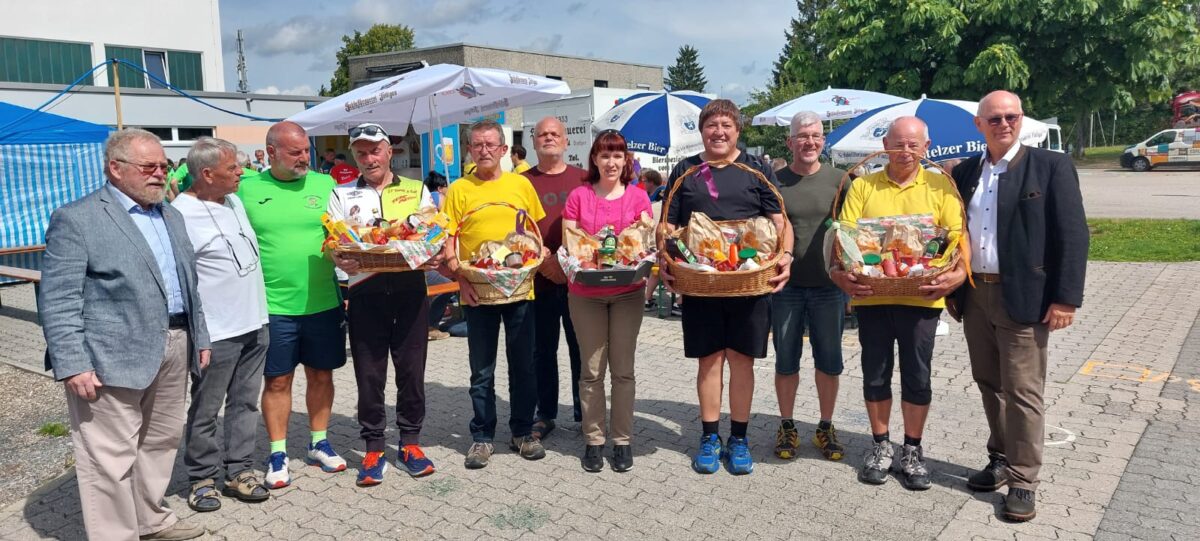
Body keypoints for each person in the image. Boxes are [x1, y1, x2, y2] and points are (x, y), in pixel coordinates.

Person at [40, 128, 211, 541]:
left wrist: (200, 337)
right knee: (109, 459)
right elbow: (58, 297)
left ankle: (150, 521)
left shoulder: (170, 214)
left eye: (164, 166)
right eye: (148, 167)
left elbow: (189, 283)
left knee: (158, 444)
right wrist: (73, 363)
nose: (159, 174)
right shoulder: (78, 218)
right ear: (115, 169)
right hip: (108, 357)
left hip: (174, 344)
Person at [949, 90, 1089, 522]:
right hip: (975, 295)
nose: (1003, 124)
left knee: (1024, 391)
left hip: (1024, 297)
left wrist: (1066, 298)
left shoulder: (1050, 166)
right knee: (988, 382)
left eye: (1010, 116)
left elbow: (1073, 234)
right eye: (994, 118)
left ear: (1021, 119)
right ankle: (1000, 458)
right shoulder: (968, 170)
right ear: (979, 124)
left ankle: (1024, 479)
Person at [830, 116, 967, 491]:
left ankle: (912, 449)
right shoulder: (864, 185)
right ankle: (879, 446)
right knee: (875, 373)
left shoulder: (941, 185)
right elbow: (846, 233)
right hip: (873, 297)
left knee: (917, 376)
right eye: (897, 143)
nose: (904, 151)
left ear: (927, 147)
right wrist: (845, 270)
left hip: (923, 297)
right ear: (884, 143)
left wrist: (952, 274)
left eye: (913, 144)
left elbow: (955, 236)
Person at [658, 99, 794, 475]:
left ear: (737, 131)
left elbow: (780, 223)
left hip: (748, 284)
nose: (718, 131)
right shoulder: (687, 170)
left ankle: (739, 438)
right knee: (709, 360)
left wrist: (785, 258)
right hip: (701, 283)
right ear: (701, 131)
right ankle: (709, 436)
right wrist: (665, 261)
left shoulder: (757, 168)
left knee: (742, 361)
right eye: (711, 125)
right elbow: (668, 226)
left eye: (726, 125)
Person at [327, 123, 439, 486]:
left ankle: (410, 442)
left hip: (409, 289)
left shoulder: (415, 188)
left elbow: (430, 232)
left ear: (389, 151)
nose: (368, 158)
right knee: (369, 374)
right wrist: (336, 256)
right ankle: (374, 446)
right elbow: (331, 242)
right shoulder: (341, 194)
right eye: (361, 152)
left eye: (374, 150)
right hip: (365, 290)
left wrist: (434, 251)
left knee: (411, 371)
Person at [238, 121, 348, 489]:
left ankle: (319, 442)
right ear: (271, 153)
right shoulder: (246, 189)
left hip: (322, 302)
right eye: (296, 152)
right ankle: (278, 452)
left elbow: (345, 233)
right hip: (273, 306)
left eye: (306, 151)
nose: (305, 158)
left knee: (321, 374)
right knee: (278, 380)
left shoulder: (325, 184)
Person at [440, 119, 548, 468]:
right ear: (469, 150)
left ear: (504, 149)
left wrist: (538, 256)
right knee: (481, 370)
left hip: (520, 289)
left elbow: (534, 233)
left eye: (490, 144)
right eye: (477, 144)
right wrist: (461, 278)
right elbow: (449, 243)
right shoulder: (458, 190)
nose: (484, 150)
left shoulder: (521, 185)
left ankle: (522, 432)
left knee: (523, 366)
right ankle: (482, 437)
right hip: (478, 290)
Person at [174, 137, 271, 512]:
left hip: (254, 322)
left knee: (246, 403)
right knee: (205, 409)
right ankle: (201, 478)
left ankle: (239, 471)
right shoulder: (180, 213)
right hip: (216, 332)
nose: (241, 173)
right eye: (233, 168)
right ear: (207, 173)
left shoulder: (233, 200)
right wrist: (198, 333)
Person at [562, 130, 652, 473]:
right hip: (587, 294)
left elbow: (645, 245)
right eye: (605, 155)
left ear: (626, 160)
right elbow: (570, 244)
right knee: (592, 370)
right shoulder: (579, 196)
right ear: (594, 160)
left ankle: (623, 440)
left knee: (623, 370)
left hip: (627, 293)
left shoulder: (639, 198)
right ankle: (594, 440)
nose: (611, 162)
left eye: (617, 155)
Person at [771, 111, 849, 461]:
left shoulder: (840, 180)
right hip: (785, 287)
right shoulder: (774, 181)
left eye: (816, 136)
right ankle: (787, 424)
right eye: (803, 136)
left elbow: (853, 232)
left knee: (829, 362)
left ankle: (825, 425)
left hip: (829, 287)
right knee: (786, 361)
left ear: (823, 140)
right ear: (790, 142)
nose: (810, 142)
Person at [523, 116, 586, 438]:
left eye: (554, 134)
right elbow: (516, 229)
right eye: (541, 134)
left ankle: (584, 412)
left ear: (566, 141)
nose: (548, 138)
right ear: (534, 142)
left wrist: (567, 264)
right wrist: (543, 260)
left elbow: (593, 228)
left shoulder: (585, 179)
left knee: (582, 349)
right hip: (538, 279)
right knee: (541, 351)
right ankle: (545, 413)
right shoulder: (521, 182)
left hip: (578, 283)